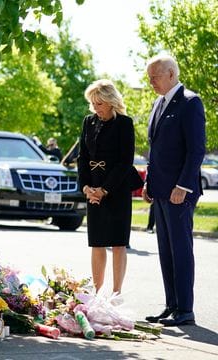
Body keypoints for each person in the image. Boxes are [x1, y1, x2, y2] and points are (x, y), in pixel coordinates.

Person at [143, 54, 205, 327]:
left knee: (180, 250)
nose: (150, 82)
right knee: (166, 251)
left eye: (154, 76)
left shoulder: (190, 102)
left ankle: (185, 310)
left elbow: (196, 149)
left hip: (180, 192)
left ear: (171, 74)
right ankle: (171, 305)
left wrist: (183, 185)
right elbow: (155, 149)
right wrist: (149, 182)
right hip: (160, 191)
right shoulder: (158, 103)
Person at [77, 79, 136, 295]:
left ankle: (116, 292)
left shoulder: (124, 123)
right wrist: (86, 188)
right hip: (92, 189)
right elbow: (82, 157)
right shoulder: (88, 122)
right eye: (93, 104)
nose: (95, 108)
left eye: (99, 103)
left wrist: (104, 190)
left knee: (118, 243)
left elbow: (125, 162)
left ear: (111, 101)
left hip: (117, 190)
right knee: (97, 242)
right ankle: (96, 291)